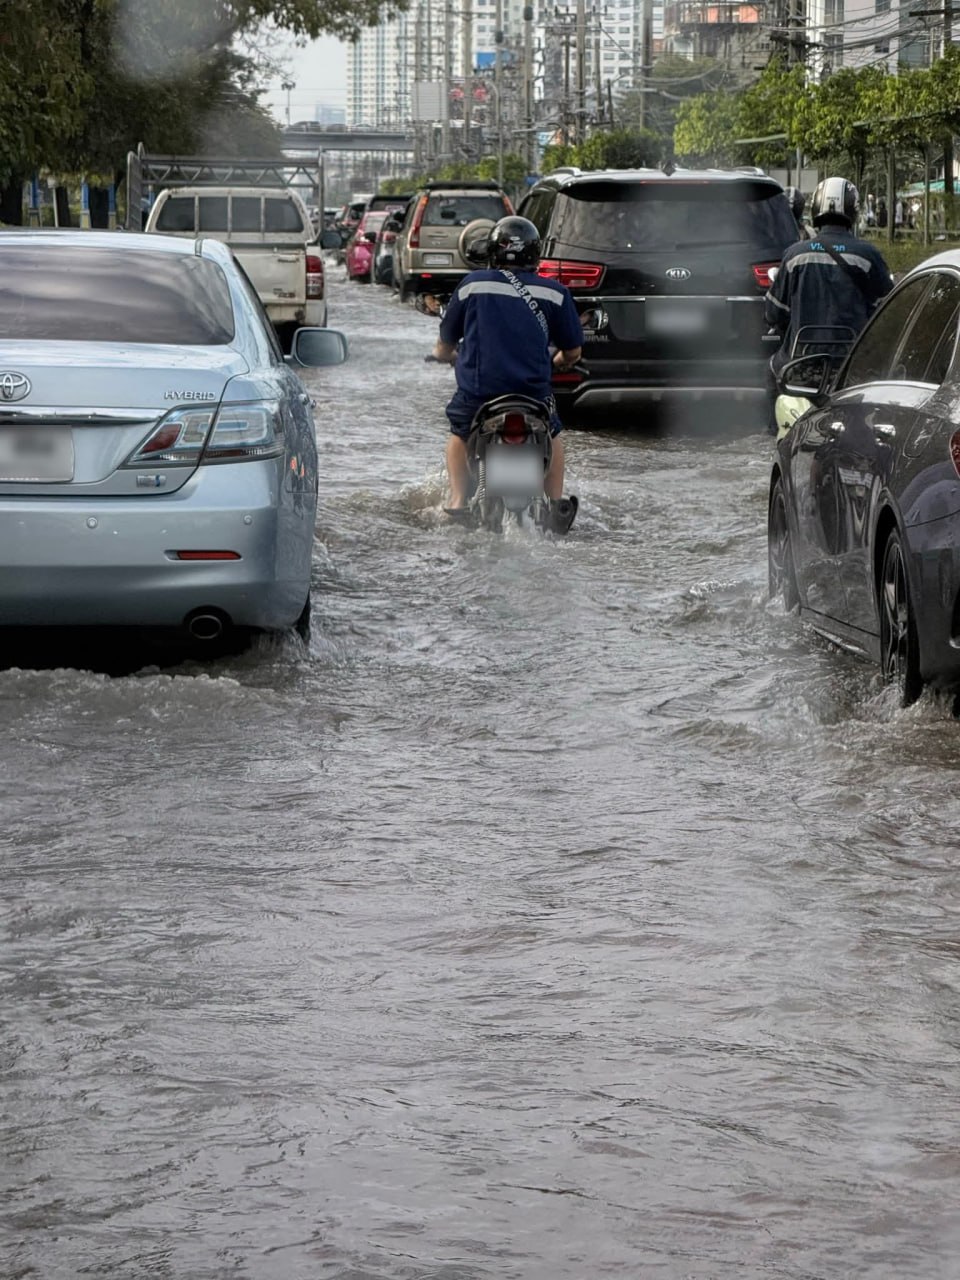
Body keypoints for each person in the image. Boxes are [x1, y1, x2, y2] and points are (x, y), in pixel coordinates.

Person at [431, 215, 583, 514]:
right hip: (533, 395)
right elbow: (573, 352)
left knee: (460, 432)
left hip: (478, 394)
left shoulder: (472, 285)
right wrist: (559, 362)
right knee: (552, 432)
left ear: (492, 252)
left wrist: (443, 354)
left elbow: (445, 343)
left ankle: (458, 502)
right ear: (535, 254)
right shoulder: (555, 292)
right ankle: (555, 504)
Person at [764, 176, 893, 432]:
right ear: (854, 211)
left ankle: (774, 439)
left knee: (770, 374)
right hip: (850, 368)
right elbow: (887, 312)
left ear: (815, 209)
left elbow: (774, 313)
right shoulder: (868, 256)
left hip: (801, 366)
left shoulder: (794, 255)